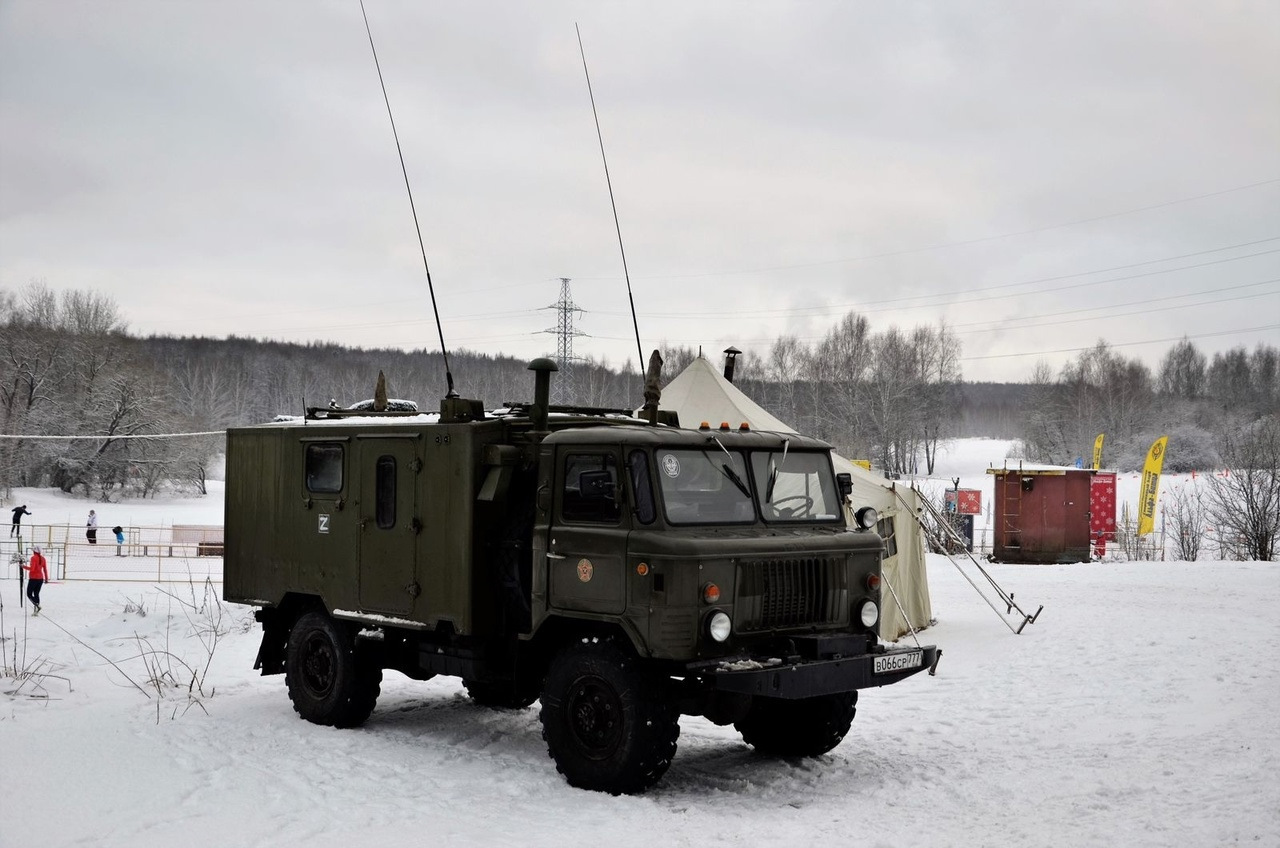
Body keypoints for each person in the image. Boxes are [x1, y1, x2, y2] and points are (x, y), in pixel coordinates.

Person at [22, 545, 48, 615]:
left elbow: (32, 569)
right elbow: (45, 570)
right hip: (40, 579)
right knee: (36, 594)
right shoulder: (43, 559)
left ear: (34, 551)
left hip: (33, 579)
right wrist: (46, 579)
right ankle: (36, 611)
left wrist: (23, 566)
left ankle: (37, 606)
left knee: (29, 594)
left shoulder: (33, 558)